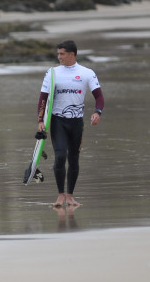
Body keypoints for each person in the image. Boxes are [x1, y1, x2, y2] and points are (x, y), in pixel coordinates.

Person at [37, 40, 105, 207]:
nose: (58, 56)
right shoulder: (52, 73)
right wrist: (40, 120)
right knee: (60, 156)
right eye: (58, 53)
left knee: (74, 159)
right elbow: (43, 99)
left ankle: (70, 196)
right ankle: (60, 195)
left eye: (62, 54)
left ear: (72, 54)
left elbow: (99, 97)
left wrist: (97, 112)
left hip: (76, 123)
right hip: (57, 121)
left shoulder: (87, 73)